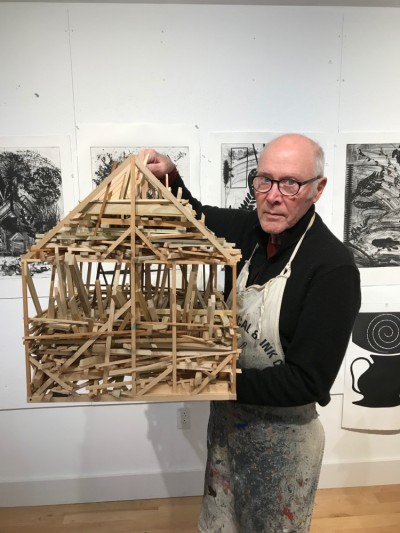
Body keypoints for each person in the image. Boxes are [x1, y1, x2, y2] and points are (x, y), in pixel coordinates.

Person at [140, 134, 361, 533]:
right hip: (227, 430)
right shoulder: (250, 231)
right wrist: (169, 176)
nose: (273, 196)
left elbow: (307, 381)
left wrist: (210, 378)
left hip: (283, 447)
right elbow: (196, 217)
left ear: (318, 188)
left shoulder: (331, 267)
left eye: (290, 183)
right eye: (265, 180)